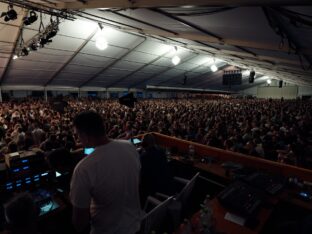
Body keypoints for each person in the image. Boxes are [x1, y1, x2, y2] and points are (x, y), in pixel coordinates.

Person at [70, 111, 142, 234]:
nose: (78, 139)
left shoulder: (83, 169)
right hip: (136, 225)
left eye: (78, 135)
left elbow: (80, 222)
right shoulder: (129, 147)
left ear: (85, 136)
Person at [139, 133, 173, 205]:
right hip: (166, 187)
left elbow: (141, 176)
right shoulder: (161, 152)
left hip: (155, 190)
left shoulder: (144, 157)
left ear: (143, 144)